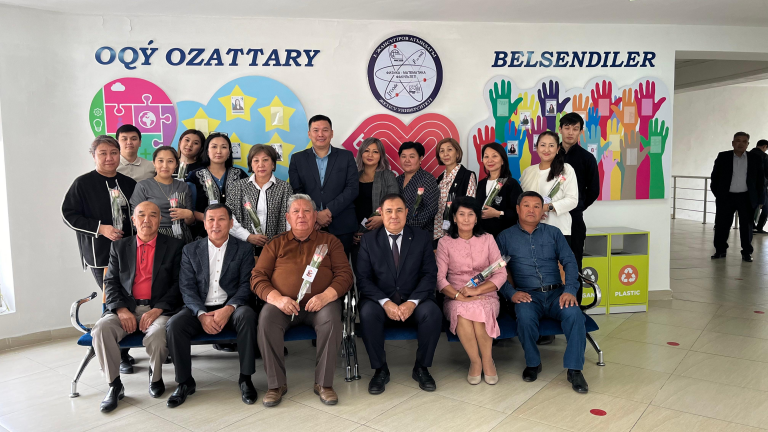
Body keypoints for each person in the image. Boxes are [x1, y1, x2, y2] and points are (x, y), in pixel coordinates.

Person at [251, 194, 353, 407]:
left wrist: (326, 296)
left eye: (307, 211)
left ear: (315, 216)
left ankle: (324, 384)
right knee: (266, 318)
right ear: (288, 217)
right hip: (283, 305)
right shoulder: (275, 243)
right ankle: (276, 385)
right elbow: (257, 277)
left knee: (332, 320)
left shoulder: (330, 241)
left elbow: (345, 275)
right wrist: (277, 299)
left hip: (321, 304)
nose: (301, 216)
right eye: (296, 211)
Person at [92, 201, 184, 412]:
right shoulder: (119, 247)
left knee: (158, 333)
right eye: (141, 215)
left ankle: (156, 376)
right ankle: (114, 385)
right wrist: (121, 310)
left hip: (159, 308)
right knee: (101, 329)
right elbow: (111, 282)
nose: (146, 220)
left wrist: (157, 309)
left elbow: (178, 284)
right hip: (126, 307)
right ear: (133, 220)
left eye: (153, 215)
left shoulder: (175, 246)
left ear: (160, 220)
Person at [165, 204, 258, 407]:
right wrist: (200, 314)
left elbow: (246, 285)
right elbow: (187, 287)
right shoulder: (190, 250)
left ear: (231, 223)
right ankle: (184, 382)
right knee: (175, 324)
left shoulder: (243, 249)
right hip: (200, 307)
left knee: (247, 316)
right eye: (211, 220)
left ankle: (246, 378)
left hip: (231, 307)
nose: (216, 224)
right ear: (205, 224)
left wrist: (228, 309)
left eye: (222, 219)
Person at [497, 191, 588, 394]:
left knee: (574, 315)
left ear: (542, 211)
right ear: (518, 209)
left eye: (536, 206)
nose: (531, 210)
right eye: (526, 205)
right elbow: (497, 271)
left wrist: (570, 290)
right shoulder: (505, 237)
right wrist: (511, 293)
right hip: (528, 295)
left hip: (557, 294)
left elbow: (570, 262)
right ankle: (533, 363)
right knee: (524, 316)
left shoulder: (553, 233)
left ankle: (575, 370)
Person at [62, 136, 138, 374]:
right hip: (101, 254)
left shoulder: (128, 183)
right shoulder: (82, 183)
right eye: (103, 153)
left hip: (130, 252)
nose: (109, 158)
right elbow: (68, 215)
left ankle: (128, 346)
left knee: (133, 299)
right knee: (114, 301)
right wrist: (100, 228)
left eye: (113, 153)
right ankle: (120, 355)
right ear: (93, 156)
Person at [356, 193, 441, 394]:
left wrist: (412, 302)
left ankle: (421, 368)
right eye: (389, 211)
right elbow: (363, 279)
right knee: (367, 312)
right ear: (381, 213)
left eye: (399, 210)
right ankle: (380, 370)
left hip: (414, 301)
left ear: (406, 212)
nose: (394, 215)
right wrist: (385, 302)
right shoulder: (368, 240)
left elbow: (430, 275)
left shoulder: (421, 238)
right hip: (381, 302)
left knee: (433, 313)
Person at [436, 197, 506, 385]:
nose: (466, 219)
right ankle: (475, 362)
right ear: (454, 218)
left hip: (486, 294)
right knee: (462, 313)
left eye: (470, 214)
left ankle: (487, 360)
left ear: (476, 219)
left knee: (480, 310)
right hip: (455, 296)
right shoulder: (445, 242)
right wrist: (457, 295)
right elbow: (439, 278)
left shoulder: (488, 239)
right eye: (461, 214)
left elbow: (501, 273)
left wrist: (477, 291)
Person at [288, 115, 359, 255]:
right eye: (316, 130)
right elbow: (297, 191)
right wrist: (315, 215)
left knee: (341, 266)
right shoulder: (297, 159)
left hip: (342, 224)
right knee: (310, 267)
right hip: (310, 225)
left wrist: (329, 211)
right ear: (309, 134)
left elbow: (352, 188)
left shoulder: (346, 156)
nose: (320, 134)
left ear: (331, 133)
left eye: (325, 130)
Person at [227, 144, 293, 255]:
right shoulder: (238, 187)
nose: (261, 165)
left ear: (273, 164)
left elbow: (289, 220)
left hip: (276, 248)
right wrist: (247, 236)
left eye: (265, 160)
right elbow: (228, 216)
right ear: (251, 165)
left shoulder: (284, 188)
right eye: (256, 161)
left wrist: (283, 244)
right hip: (243, 248)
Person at [711, 132, 766, 262]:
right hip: (726, 197)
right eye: (738, 140)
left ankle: (746, 252)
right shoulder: (723, 156)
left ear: (748, 144)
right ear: (733, 143)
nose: (740, 143)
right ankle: (720, 250)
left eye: (744, 141)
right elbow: (715, 177)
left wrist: (760, 199)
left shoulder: (755, 158)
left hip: (746, 197)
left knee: (746, 227)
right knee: (722, 225)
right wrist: (719, 194)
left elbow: (760, 181)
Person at [186, 132, 249, 239]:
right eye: (214, 147)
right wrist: (211, 219)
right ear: (207, 151)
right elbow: (190, 209)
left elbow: (248, 204)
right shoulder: (195, 176)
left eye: (223, 147)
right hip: (205, 233)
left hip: (237, 233)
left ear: (229, 152)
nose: (219, 151)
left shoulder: (240, 175)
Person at [520, 132, 579, 243]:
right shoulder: (528, 172)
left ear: (557, 149)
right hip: (530, 230)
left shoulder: (566, 170)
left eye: (551, 145)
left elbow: (572, 200)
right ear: (537, 148)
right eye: (543, 145)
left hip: (558, 229)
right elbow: (522, 200)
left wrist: (546, 207)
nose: (546, 149)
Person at [130, 147, 195, 243]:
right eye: (160, 161)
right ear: (154, 163)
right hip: (153, 236)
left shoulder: (183, 186)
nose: (165, 166)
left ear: (176, 164)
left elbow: (190, 221)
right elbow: (135, 219)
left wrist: (189, 215)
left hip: (181, 237)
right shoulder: (143, 186)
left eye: (170, 161)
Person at [559, 113, 599, 270]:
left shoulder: (587, 158)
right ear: (560, 129)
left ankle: (575, 288)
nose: (570, 132)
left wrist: (577, 206)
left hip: (574, 219)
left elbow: (594, 190)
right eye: (567, 128)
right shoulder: (551, 156)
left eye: (575, 129)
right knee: (551, 262)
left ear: (580, 132)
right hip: (551, 217)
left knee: (574, 263)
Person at [352, 137, 399, 255]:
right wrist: (351, 230)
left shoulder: (387, 175)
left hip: (380, 233)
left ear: (381, 155)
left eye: (375, 152)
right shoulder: (353, 176)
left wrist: (382, 219)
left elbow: (395, 202)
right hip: (356, 233)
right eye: (367, 151)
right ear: (361, 153)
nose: (370, 155)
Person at [433, 138, 477, 247]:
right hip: (438, 232)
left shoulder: (467, 176)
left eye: (449, 150)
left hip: (459, 232)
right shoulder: (439, 179)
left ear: (457, 153)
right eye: (442, 151)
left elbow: (470, 207)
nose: (445, 154)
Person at [475, 143, 523, 237]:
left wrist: (498, 214)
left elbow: (519, 211)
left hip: (505, 236)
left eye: (494, 156)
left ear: (502, 160)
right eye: (486, 156)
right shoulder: (481, 184)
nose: (490, 160)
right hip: (482, 236)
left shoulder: (511, 184)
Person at [396, 142, 439, 232]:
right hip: (397, 231)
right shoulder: (397, 180)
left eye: (412, 157)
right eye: (403, 156)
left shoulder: (427, 178)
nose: (407, 160)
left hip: (420, 232)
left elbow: (431, 209)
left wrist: (409, 225)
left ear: (420, 158)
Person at [751, 139, 768, 233]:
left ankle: (752, 226)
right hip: (761, 186)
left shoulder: (748, 154)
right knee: (766, 208)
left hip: (750, 186)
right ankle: (759, 227)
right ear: (764, 146)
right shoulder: (764, 156)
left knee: (751, 207)